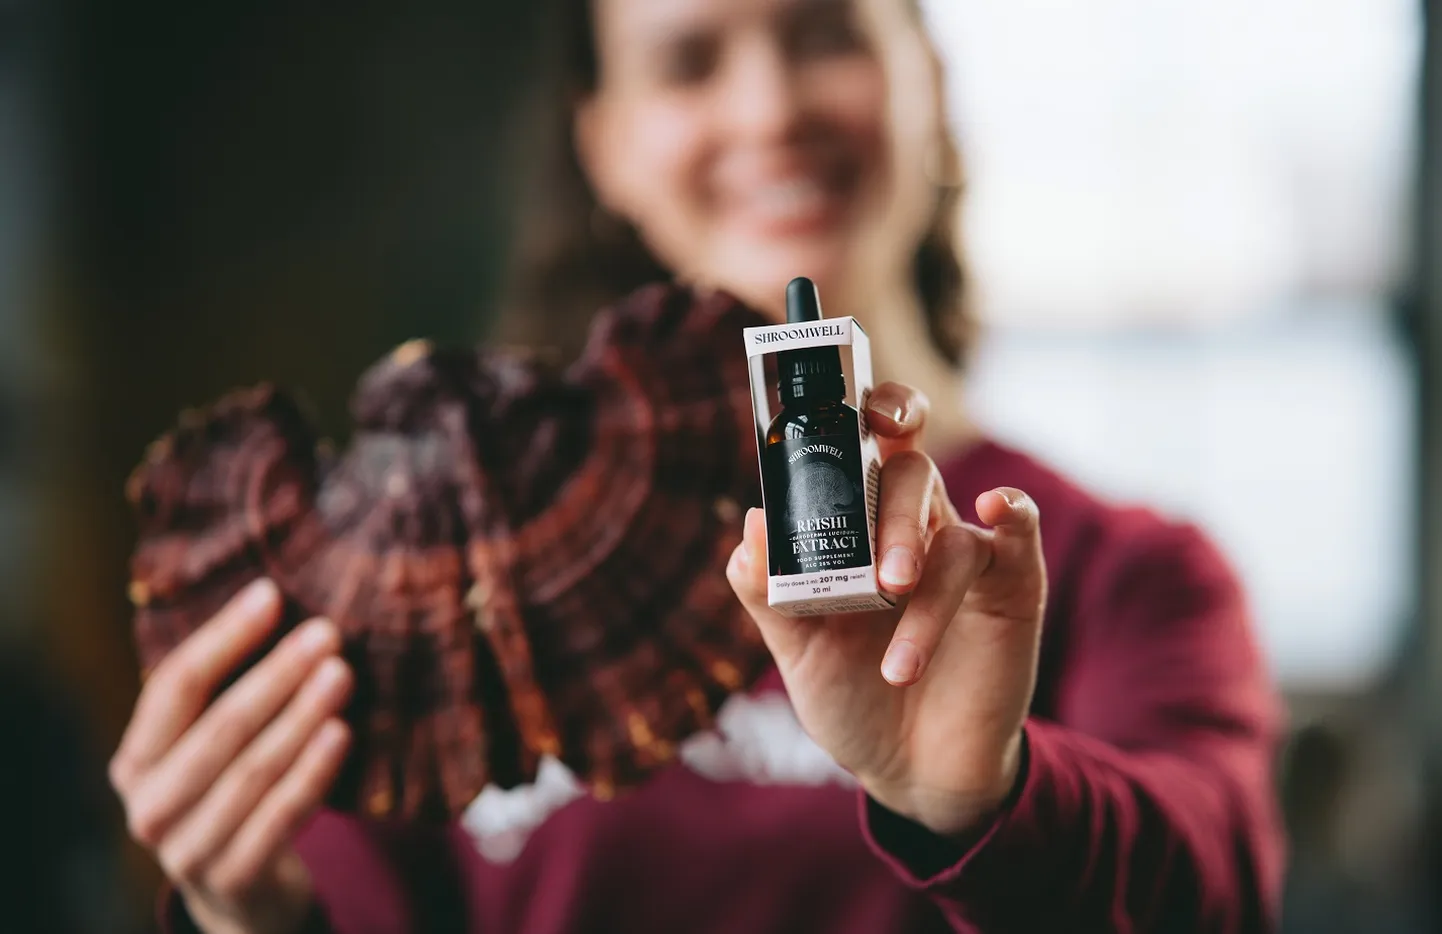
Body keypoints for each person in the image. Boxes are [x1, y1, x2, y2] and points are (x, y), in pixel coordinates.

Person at [108, 0, 1286, 931]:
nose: (768, 110)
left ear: (925, 74)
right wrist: (245, 912)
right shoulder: (432, 575)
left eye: (824, 31)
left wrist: (986, 797)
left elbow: (1215, 891)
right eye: (686, 61)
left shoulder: (1113, 570)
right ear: (602, 143)